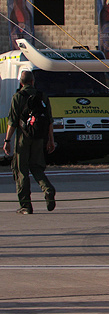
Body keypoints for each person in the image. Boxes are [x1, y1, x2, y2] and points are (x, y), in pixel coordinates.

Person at [4, 70, 56, 214]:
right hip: (39, 138)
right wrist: (51, 140)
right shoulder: (42, 96)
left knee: (21, 170)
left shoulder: (18, 97)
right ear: (33, 81)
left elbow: (13, 122)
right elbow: (49, 120)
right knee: (37, 167)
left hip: (23, 139)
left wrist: (7, 140)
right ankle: (48, 189)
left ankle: (26, 205)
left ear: (21, 83)